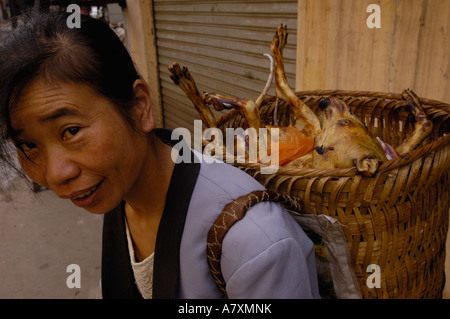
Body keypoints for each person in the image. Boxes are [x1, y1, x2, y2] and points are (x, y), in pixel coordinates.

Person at [0, 11, 320, 299]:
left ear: (139, 106)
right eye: (28, 145)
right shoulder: (117, 187)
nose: (55, 174)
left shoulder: (254, 242)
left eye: (70, 131)